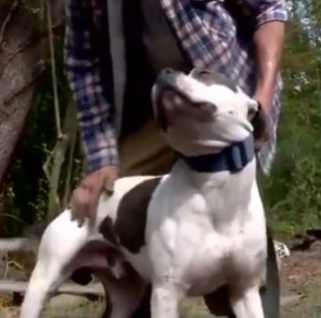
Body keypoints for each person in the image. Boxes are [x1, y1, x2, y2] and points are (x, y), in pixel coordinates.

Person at [64, 0, 287, 316]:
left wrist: (262, 95)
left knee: (243, 265)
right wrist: (101, 156)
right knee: (122, 226)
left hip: (218, 108)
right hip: (147, 114)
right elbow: (83, 62)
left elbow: (269, 8)